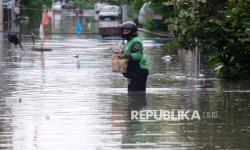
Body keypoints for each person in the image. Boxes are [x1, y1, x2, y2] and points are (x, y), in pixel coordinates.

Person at [119, 21, 149, 92]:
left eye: (126, 31)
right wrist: (120, 52)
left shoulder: (136, 42)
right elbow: (128, 53)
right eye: (123, 31)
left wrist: (125, 55)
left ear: (132, 32)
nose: (124, 33)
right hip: (132, 71)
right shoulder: (129, 42)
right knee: (132, 94)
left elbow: (138, 56)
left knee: (137, 94)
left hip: (139, 71)